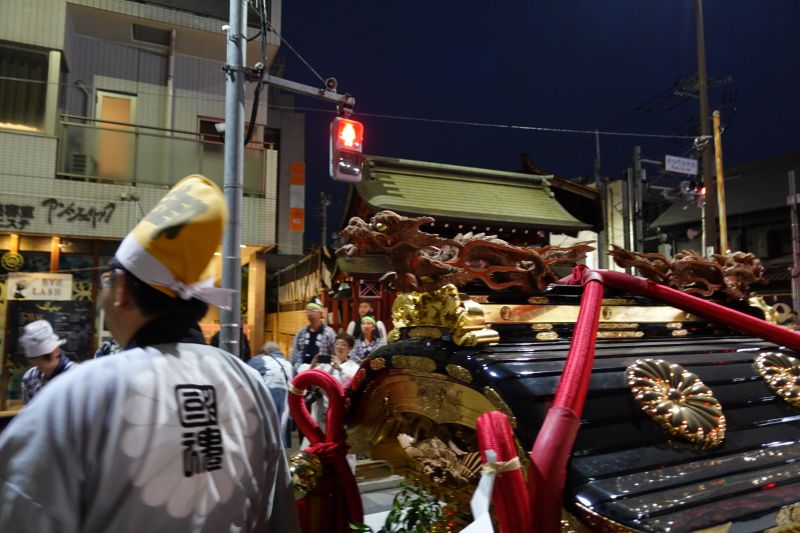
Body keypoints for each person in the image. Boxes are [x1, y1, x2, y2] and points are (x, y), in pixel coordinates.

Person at [0, 175, 299, 532]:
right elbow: (280, 513)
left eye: (107, 280)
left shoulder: (78, 395)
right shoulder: (247, 382)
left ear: (121, 290)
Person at [19, 319, 76, 404]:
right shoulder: (29, 377)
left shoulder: (75, 376)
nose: (37, 363)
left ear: (56, 351)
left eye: (44, 357)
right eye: (33, 359)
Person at [248, 341, 293, 446]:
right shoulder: (289, 365)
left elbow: (245, 375)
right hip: (286, 400)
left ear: (265, 351)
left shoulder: (259, 360)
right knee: (280, 429)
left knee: (265, 431)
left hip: (266, 398)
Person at [289, 297, 336, 372]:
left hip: (321, 371)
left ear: (320, 313)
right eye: (308, 310)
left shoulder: (329, 332)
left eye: (314, 310)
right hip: (302, 371)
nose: (310, 313)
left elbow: (335, 353)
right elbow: (294, 354)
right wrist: (294, 368)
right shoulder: (301, 332)